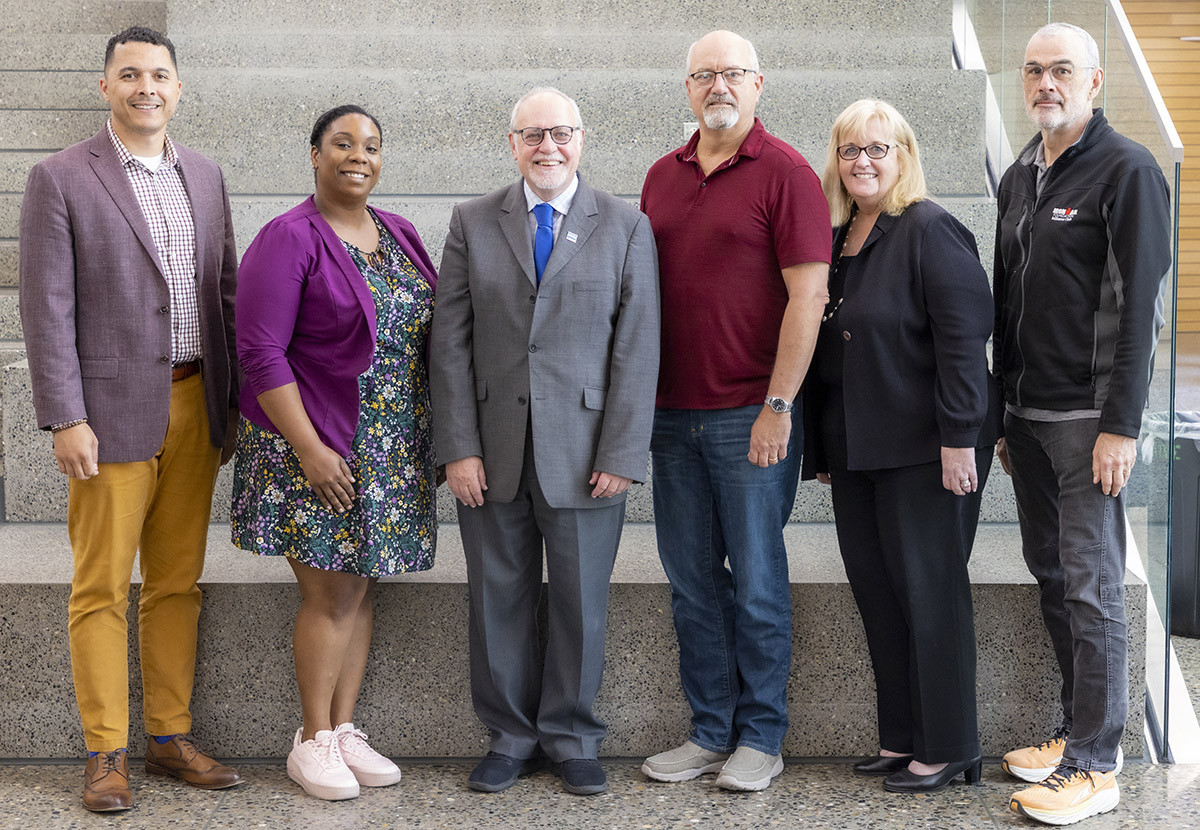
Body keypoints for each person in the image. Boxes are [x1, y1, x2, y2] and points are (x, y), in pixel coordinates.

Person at [18, 26, 242, 812]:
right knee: (103, 585)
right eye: (131, 74)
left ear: (179, 87)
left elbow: (226, 297)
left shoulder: (207, 177)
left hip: (195, 403)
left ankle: (169, 736)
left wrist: (232, 405)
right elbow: (46, 308)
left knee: (177, 583)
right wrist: (64, 416)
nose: (147, 86)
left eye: (160, 74)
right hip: (107, 413)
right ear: (105, 86)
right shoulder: (61, 177)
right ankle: (105, 751)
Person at [429, 86, 659, 797]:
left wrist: (622, 452)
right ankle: (510, 736)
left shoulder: (625, 225)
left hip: (589, 452)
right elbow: (450, 341)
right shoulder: (472, 221)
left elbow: (638, 347)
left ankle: (572, 736)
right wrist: (458, 447)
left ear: (582, 140)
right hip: (490, 449)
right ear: (512, 144)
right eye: (532, 135)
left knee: (581, 602)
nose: (547, 147)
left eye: (559, 133)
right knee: (498, 595)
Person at [638, 30, 831, 791]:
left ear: (759, 84)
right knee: (691, 583)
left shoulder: (785, 174)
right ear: (688, 87)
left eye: (732, 74)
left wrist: (778, 405)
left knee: (754, 581)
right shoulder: (661, 176)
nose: (718, 86)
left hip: (750, 412)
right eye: (703, 74)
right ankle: (709, 730)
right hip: (669, 416)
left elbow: (809, 297)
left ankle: (761, 736)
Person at [231, 105, 439, 801]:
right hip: (316, 447)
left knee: (362, 584)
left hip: (388, 449)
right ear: (315, 155)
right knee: (329, 593)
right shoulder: (289, 238)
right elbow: (259, 353)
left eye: (372, 145)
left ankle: (344, 730)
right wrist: (313, 451)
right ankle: (312, 740)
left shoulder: (400, 233)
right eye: (342, 143)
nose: (359, 155)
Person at [995, 23, 1171, 826]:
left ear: (1094, 81)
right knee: (1055, 576)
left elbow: (1143, 313)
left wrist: (1121, 426)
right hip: (1026, 419)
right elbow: (1005, 304)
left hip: (1088, 421)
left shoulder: (1128, 170)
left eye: (1062, 69)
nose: (1046, 83)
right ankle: (1075, 735)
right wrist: (999, 406)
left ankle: (1099, 765)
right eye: (1034, 70)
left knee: (1095, 588)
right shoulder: (1019, 175)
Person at [805, 99, 999, 794]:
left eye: (877, 150)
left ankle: (951, 745)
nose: (863, 162)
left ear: (905, 156)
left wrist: (959, 440)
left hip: (927, 450)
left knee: (930, 594)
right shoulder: (842, 234)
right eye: (850, 150)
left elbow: (962, 344)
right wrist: (827, 449)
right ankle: (904, 737)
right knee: (881, 594)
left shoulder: (930, 229)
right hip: (861, 451)